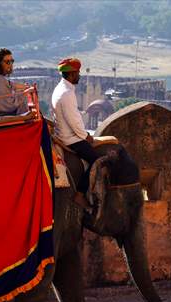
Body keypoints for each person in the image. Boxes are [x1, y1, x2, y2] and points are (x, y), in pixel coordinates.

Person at [51, 58, 99, 210]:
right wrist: (86, 136)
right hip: (70, 138)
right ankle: (80, 194)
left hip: (63, 133)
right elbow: (74, 121)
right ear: (71, 74)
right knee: (95, 160)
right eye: (77, 73)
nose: (79, 75)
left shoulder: (61, 89)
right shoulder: (66, 94)